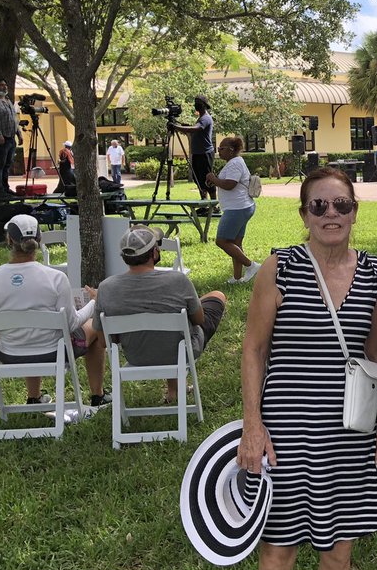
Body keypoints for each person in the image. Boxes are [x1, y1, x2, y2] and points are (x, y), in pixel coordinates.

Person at [236, 167, 377, 570]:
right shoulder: (279, 267)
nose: (331, 215)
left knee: (339, 550)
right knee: (277, 552)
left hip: (349, 430)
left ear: (355, 210)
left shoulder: (373, 273)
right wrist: (252, 425)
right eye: (319, 206)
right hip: (287, 429)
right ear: (304, 213)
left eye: (341, 205)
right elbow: (254, 349)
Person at [0, 214, 109, 407]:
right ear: (39, 239)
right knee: (93, 326)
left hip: (9, 354)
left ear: (9, 240)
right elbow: (71, 323)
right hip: (53, 352)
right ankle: (98, 395)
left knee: (28, 333)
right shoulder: (55, 278)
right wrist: (93, 303)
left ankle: (34, 397)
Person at [94, 227, 226, 403]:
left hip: (137, 356)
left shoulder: (106, 288)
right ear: (154, 252)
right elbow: (199, 320)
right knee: (216, 297)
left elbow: (104, 341)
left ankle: (174, 391)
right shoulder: (178, 281)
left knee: (170, 327)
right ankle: (176, 389)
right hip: (181, 353)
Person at [206, 136, 260, 284]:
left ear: (230, 150)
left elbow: (230, 184)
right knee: (235, 243)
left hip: (237, 208)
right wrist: (215, 179)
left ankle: (251, 265)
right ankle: (237, 278)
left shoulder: (235, 163)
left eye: (221, 149)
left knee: (222, 241)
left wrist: (213, 178)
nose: (219, 151)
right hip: (242, 206)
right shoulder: (234, 162)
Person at [172, 96, 216, 200]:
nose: (196, 104)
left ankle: (214, 205)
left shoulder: (206, 118)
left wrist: (176, 127)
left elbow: (195, 129)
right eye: (195, 102)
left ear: (204, 105)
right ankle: (204, 204)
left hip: (205, 154)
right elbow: (192, 131)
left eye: (198, 102)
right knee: (199, 180)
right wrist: (182, 127)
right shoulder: (200, 118)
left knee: (208, 179)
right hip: (197, 153)